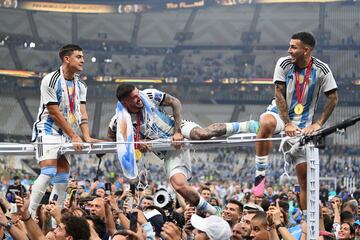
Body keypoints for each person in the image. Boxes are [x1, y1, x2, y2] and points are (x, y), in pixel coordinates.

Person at [108, 84, 259, 216]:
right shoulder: (119, 121)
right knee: (178, 185)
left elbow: (175, 102)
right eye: (134, 97)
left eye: (138, 93)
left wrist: (177, 131)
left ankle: (247, 126)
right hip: (167, 150)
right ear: (124, 102)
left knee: (201, 134)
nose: (139, 98)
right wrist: (135, 143)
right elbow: (112, 138)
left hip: (177, 129)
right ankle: (214, 212)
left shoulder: (148, 95)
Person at [253, 32, 338, 213]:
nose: (289, 50)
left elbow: (333, 98)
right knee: (266, 123)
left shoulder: (322, 70)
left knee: (305, 178)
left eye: (293, 47)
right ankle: (260, 176)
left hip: (303, 125)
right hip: (280, 115)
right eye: (290, 46)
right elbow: (279, 93)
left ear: (306, 50)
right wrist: (287, 123)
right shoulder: (283, 63)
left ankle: (308, 221)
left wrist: (319, 123)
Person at [30, 44, 101, 217]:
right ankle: (29, 214)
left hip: (66, 134)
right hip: (47, 130)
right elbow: (54, 112)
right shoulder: (50, 80)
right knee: (48, 171)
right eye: (78, 56)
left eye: (83, 56)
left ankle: (55, 216)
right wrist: (74, 135)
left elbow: (82, 111)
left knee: (62, 176)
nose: (83, 60)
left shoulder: (81, 85)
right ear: (66, 59)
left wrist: (86, 136)